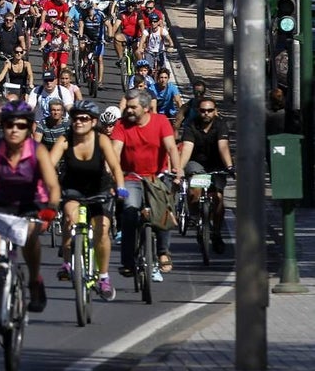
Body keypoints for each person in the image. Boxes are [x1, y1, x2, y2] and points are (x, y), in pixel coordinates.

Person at [0, 100, 62, 333]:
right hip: (1, 204)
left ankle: (35, 280)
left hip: (30, 204)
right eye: (9, 125)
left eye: (20, 125)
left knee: (30, 241)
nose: (14, 130)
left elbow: (52, 185)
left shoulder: (38, 151)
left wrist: (51, 207)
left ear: (28, 128)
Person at [47, 100, 127, 300]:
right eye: (75, 118)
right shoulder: (66, 139)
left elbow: (115, 167)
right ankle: (66, 263)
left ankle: (103, 277)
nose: (79, 122)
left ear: (93, 122)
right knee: (69, 219)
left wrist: (121, 187)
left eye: (84, 118)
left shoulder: (101, 140)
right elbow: (49, 164)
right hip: (73, 188)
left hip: (99, 188)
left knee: (102, 230)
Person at [111, 88, 182, 282]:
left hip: (156, 177)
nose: (129, 110)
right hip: (131, 178)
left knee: (163, 211)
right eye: (127, 106)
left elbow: (170, 147)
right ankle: (127, 262)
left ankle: (163, 252)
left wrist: (177, 170)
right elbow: (115, 151)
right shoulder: (121, 125)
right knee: (130, 212)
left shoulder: (160, 122)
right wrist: (113, 176)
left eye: (133, 107)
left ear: (145, 108)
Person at [178, 96, 233, 254]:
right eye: (203, 111)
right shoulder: (191, 126)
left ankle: (216, 233)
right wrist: (180, 169)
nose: (206, 113)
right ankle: (195, 217)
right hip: (197, 163)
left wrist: (229, 166)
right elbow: (187, 148)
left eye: (210, 110)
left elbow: (223, 147)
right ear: (197, 111)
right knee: (194, 189)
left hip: (216, 164)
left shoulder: (221, 126)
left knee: (218, 198)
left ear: (215, 112)